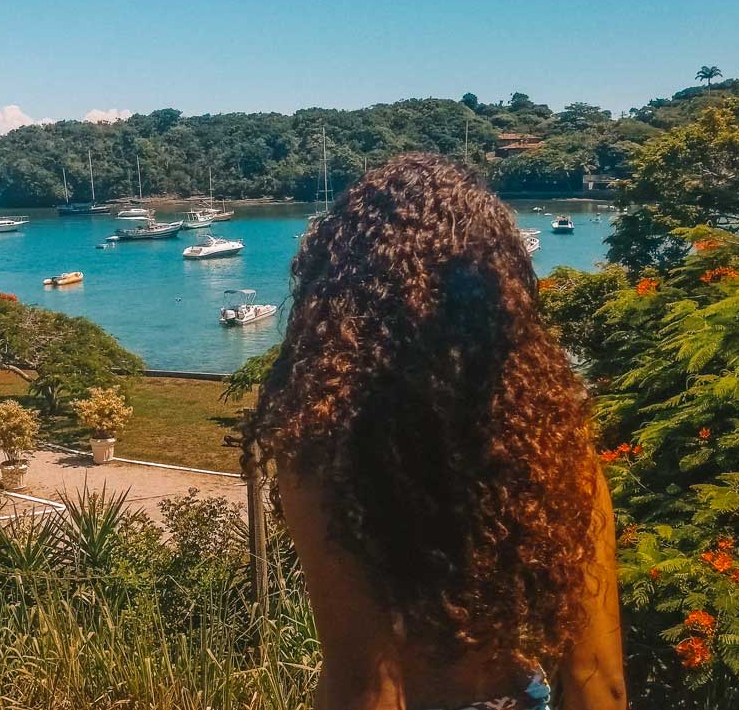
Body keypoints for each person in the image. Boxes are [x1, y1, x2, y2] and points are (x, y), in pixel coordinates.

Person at [243, 153, 625, 710]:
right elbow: (599, 678)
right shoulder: (549, 438)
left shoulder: (327, 451)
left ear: (341, 290)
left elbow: (366, 687)